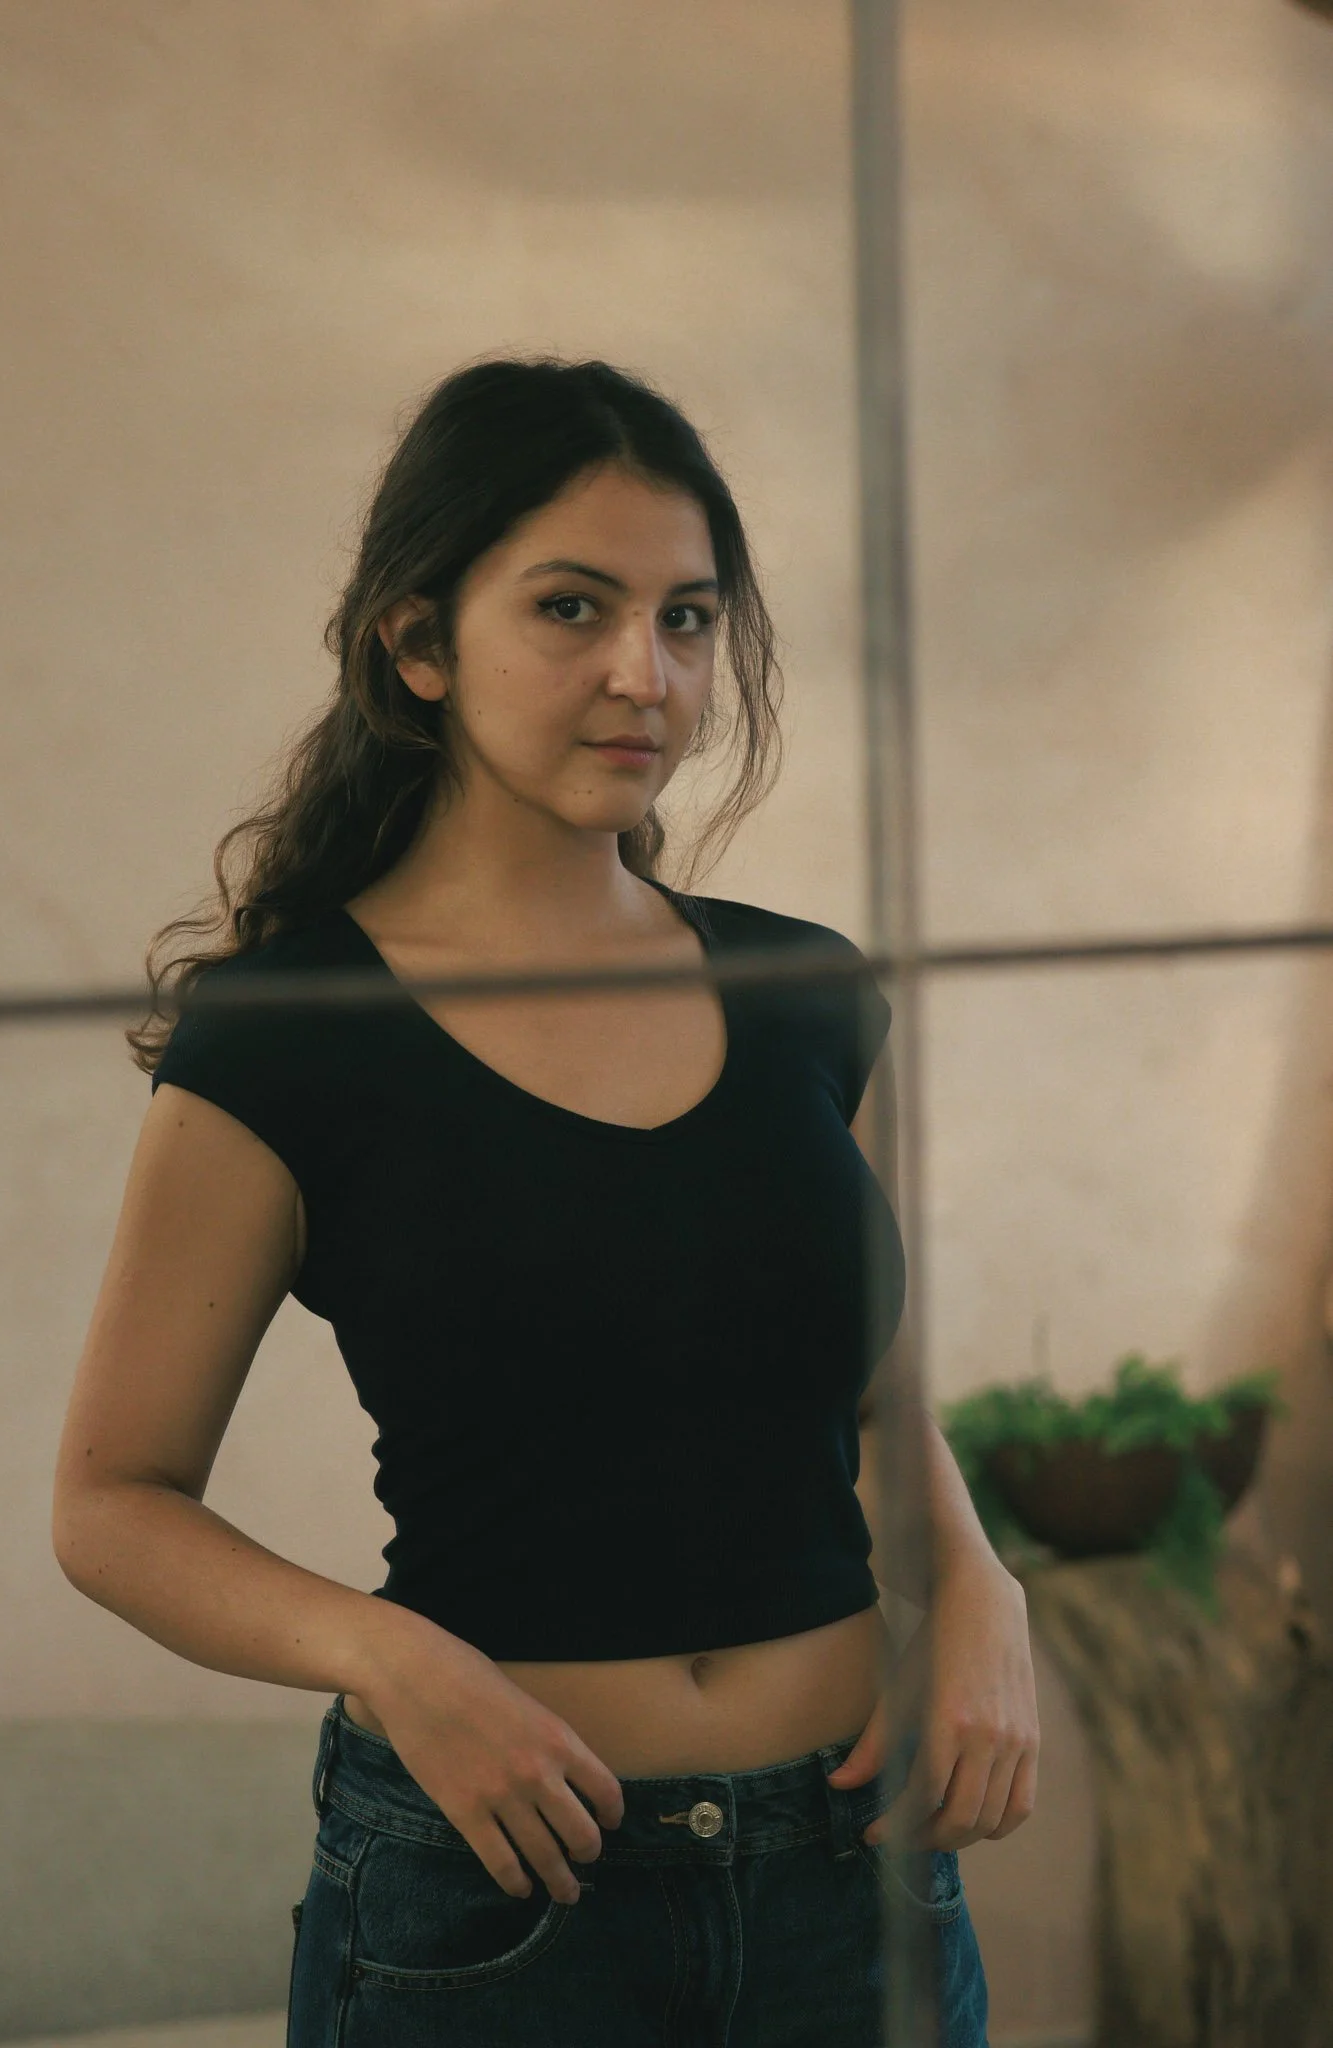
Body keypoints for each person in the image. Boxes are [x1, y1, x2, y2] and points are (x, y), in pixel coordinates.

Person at [52, 356, 1037, 2047]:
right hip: (502, 1905)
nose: (640, 674)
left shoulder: (807, 991)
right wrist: (390, 1658)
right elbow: (113, 1502)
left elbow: (855, 1371)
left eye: (689, 617)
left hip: (850, 1874)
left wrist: (974, 1577)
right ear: (418, 646)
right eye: (572, 608)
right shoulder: (293, 1034)